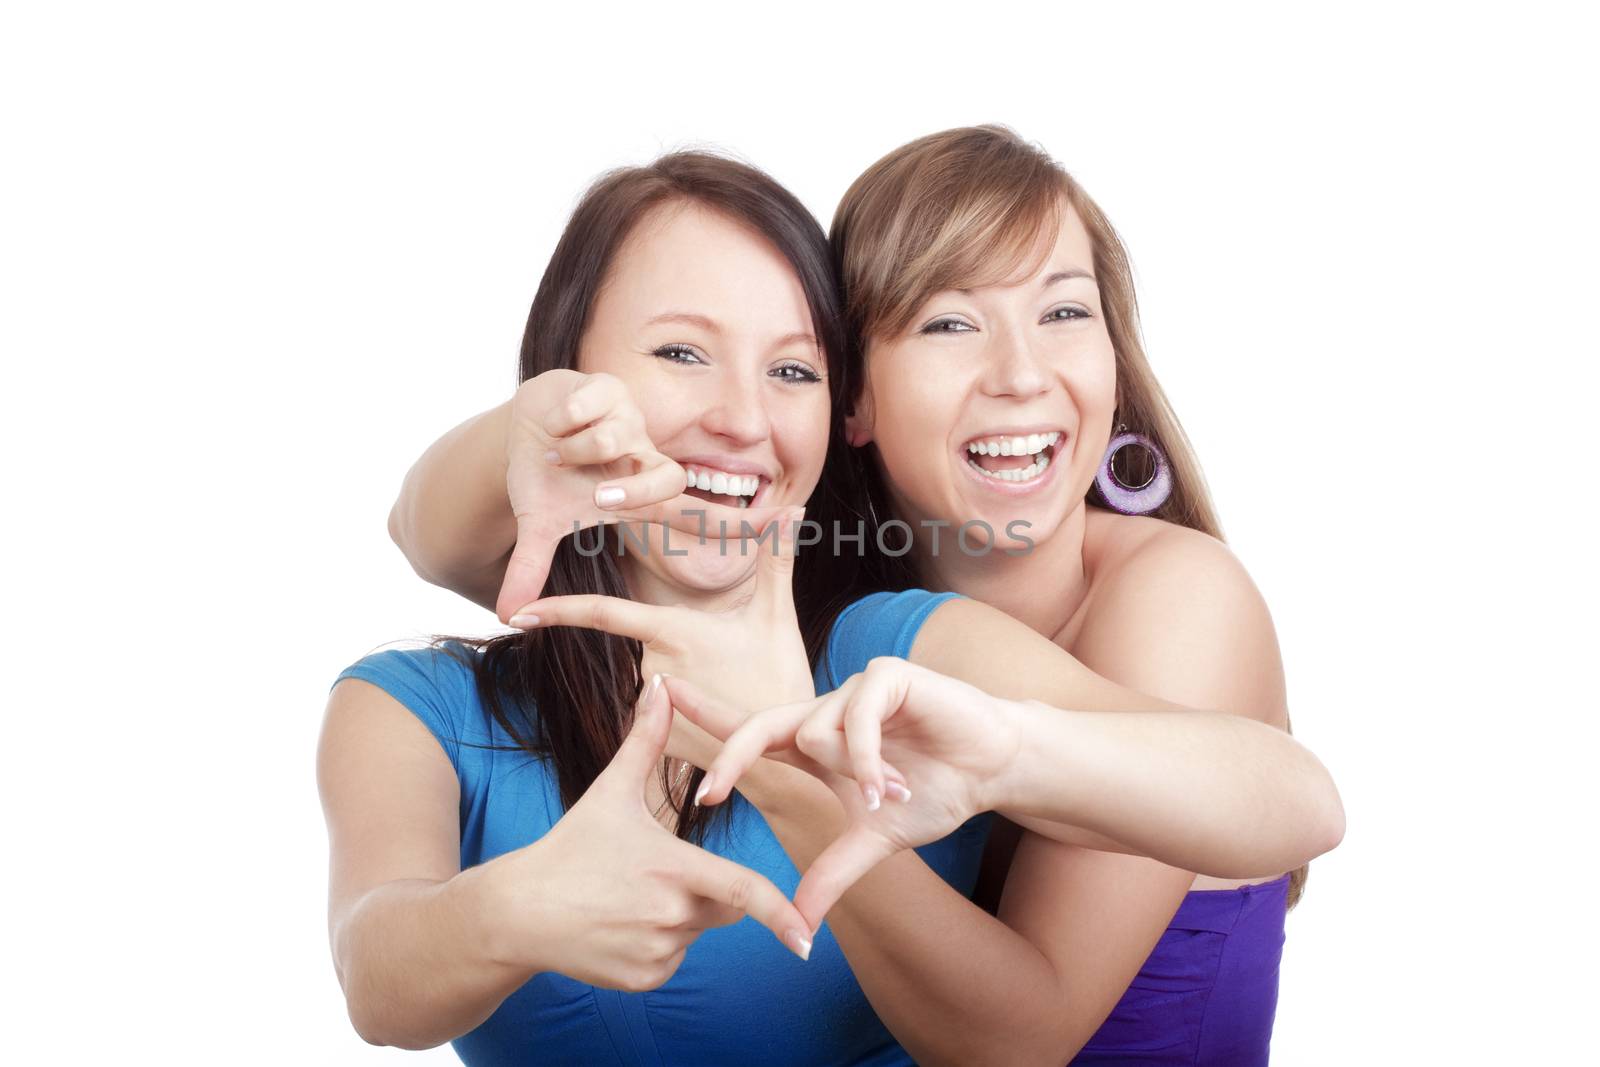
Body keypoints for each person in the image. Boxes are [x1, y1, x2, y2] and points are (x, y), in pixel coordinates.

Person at [379, 133, 1342, 1065]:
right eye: (950, 322)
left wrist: (1002, 753)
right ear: (854, 405)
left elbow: (1031, 1023)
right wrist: (541, 418)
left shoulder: (1172, 596)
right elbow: (440, 542)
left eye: (1064, 311)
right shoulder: (824, 609)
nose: (1019, 374)